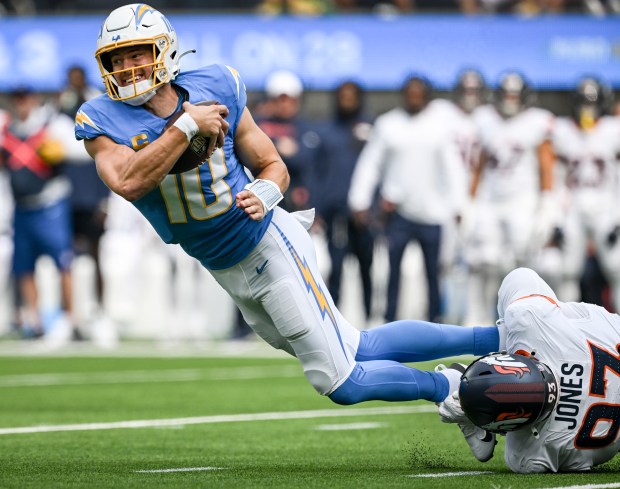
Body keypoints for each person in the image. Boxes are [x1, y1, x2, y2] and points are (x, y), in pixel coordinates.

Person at [75, 4, 500, 408]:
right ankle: (493, 340)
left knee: (340, 380)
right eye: (117, 59)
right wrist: (187, 125)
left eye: (137, 54)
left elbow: (273, 166)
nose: (127, 68)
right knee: (359, 347)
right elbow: (128, 181)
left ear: (164, 50)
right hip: (223, 267)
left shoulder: (215, 85)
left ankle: (452, 388)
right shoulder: (99, 118)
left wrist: (264, 193)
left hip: (265, 245)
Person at [439, 267, 620, 473]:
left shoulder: (529, 456)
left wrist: (468, 410)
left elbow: (519, 279)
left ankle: (471, 409)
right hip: (597, 339)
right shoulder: (528, 319)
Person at [349, 75, 467, 323]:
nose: (414, 98)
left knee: (433, 273)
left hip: (432, 211)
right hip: (397, 212)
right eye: (410, 93)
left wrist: (458, 204)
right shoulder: (388, 124)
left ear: (426, 95)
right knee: (392, 272)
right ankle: (390, 321)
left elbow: (452, 167)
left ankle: (436, 321)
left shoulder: (439, 125)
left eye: (418, 93)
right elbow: (371, 164)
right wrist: (359, 200)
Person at [466, 71, 557, 325]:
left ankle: (529, 319)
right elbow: (479, 165)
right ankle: (482, 319)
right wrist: (470, 202)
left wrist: (547, 204)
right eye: (506, 94)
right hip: (492, 202)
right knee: (486, 261)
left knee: (524, 262)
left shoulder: (537, 122)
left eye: (514, 95)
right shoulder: (485, 120)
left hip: (523, 203)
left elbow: (545, 166)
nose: (510, 100)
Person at [0, 87, 86, 339]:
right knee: (23, 266)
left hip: (50, 204)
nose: (21, 102)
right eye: (17, 97)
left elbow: (84, 150)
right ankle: (33, 321)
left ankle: (71, 320)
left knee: (63, 262)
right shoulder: (7, 128)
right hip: (21, 205)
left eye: (25, 97)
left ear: (35, 98)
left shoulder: (52, 124)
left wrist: (61, 151)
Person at [314, 81, 375, 320]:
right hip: (336, 211)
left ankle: (370, 317)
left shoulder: (371, 127)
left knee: (366, 267)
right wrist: (318, 207)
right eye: (343, 96)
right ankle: (334, 318)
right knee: (336, 267)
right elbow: (318, 172)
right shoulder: (326, 130)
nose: (347, 100)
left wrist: (375, 205)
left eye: (352, 96)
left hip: (364, 212)